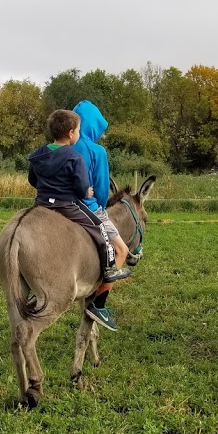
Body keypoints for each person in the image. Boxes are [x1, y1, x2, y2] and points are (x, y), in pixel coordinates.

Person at [27, 109, 129, 330]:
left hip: (42, 203)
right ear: (72, 132)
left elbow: (32, 179)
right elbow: (84, 187)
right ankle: (109, 271)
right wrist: (88, 194)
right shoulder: (77, 155)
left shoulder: (38, 154)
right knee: (98, 229)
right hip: (69, 204)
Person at [71, 100, 137, 330]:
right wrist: (98, 205)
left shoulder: (61, 145)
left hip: (54, 205)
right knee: (121, 250)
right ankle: (99, 303)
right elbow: (100, 189)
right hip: (86, 206)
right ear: (94, 126)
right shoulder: (97, 151)